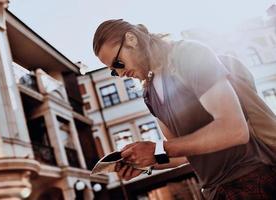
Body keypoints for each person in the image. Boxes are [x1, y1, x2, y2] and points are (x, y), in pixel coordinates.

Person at [92, 19, 276, 199]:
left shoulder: (188, 55)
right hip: (215, 191)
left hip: (251, 179)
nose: (121, 73)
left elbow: (235, 129)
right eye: (113, 71)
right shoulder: (149, 94)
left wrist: (159, 148)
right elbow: (184, 153)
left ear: (131, 39)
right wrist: (145, 162)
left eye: (118, 63)